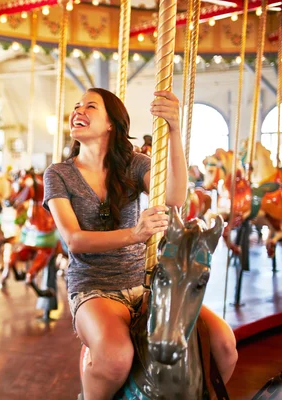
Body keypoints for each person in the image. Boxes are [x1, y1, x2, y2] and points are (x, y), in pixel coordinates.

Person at [42, 88, 237, 399]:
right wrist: (136, 233)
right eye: (76, 106)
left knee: (224, 346)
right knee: (116, 357)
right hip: (94, 287)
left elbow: (174, 197)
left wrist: (174, 129)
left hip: (147, 285)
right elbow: (74, 240)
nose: (77, 111)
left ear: (111, 124)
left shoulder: (135, 164)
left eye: (90, 106)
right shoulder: (59, 174)